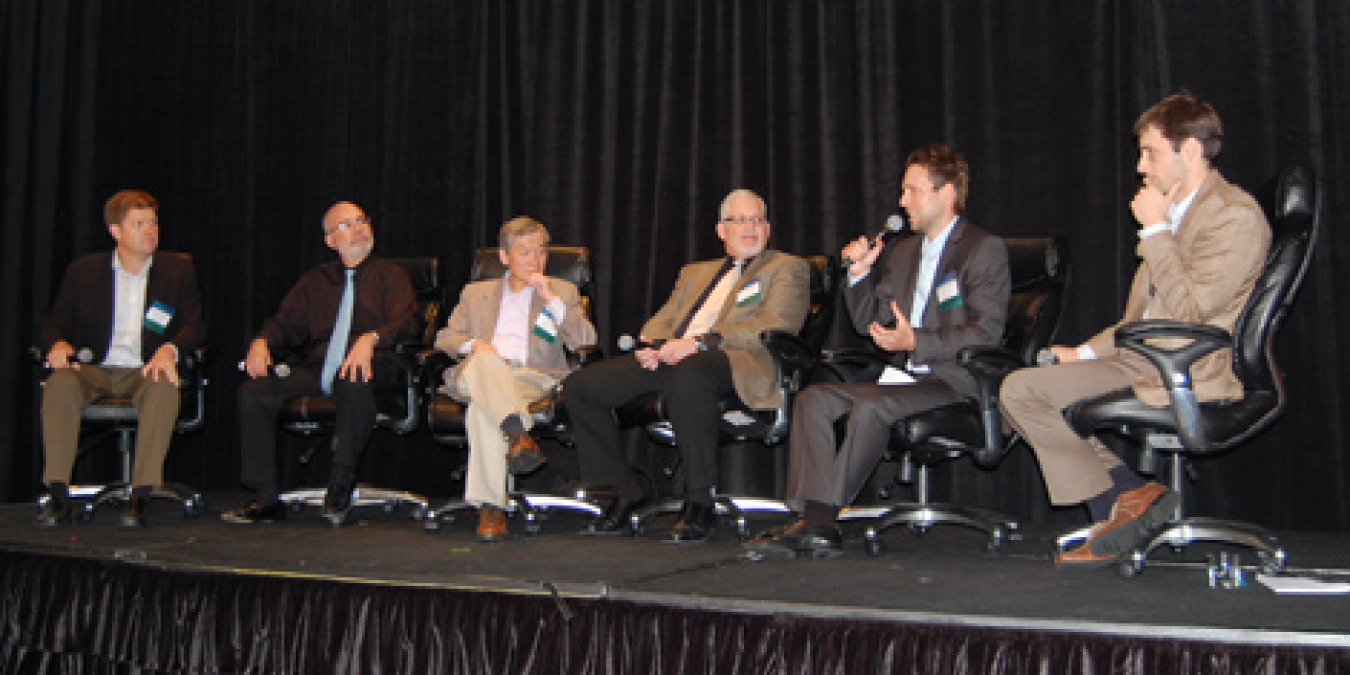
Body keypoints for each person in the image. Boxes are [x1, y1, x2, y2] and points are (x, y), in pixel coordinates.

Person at [999, 93, 1272, 568]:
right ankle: (1125, 499)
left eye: (1151, 153)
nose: (1142, 167)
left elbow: (1190, 312)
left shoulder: (1234, 214)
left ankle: (1121, 512)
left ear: (1189, 151)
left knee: (1028, 394)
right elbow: (1136, 321)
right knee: (1021, 390)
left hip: (1185, 366)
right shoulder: (1171, 215)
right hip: (1142, 356)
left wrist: (1156, 232)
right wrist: (1083, 353)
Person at [748, 144, 1010, 557]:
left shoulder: (981, 249)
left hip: (956, 381)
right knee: (813, 399)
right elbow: (870, 321)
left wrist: (917, 342)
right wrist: (860, 276)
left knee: (873, 407)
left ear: (945, 194)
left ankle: (819, 522)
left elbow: (986, 332)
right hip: (906, 378)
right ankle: (811, 516)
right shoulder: (903, 253)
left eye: (912, 191)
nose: (902, 202)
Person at [563, 189, 811, 544]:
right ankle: (624, 488)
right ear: (720, 230)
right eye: (739, 220)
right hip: (679, 357)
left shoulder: (786, 267)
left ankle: (700, 500)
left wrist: (699, 343)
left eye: (757, 219)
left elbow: (776, 323)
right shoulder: (695, 272)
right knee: (582, 387)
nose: (750, 227)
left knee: (690, 373)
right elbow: (661, 320)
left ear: (768, 228)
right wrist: (655, 346)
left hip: (739, 361)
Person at [223, 201, 416, 526]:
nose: (358, 229)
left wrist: (370, 339)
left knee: (353, 376)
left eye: (361, 220)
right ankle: (266, 496)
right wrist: (261, 342)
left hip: (372, 366)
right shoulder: (316, 281)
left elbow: (407, 323)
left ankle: (340, 481)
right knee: (253, 392)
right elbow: (284, 323)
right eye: (346, 225)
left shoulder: (391, 275)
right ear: (330, 240)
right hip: (319, 367)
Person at [37, 189, 208, 529]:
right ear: (116, 231)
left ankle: (141, 493)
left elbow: (195, 326)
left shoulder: (177, 270)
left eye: (153, 223)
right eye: (139, 223)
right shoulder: (84, 272)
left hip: (145, 369)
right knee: (60, 384)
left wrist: (170, 349)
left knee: (162, 383)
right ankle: (57, 491)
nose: (150, 231)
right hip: (95, 369)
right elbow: (55, 322)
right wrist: (56, 345)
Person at [435, 216, 597, 542]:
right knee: (485, 362)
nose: (535, 260)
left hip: (531, 377)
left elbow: (587, 340)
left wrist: (551, 300)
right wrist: (474, 346)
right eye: (524, 252)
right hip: (477, 371)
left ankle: (491, 505)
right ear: (504, 257)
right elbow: (444, 337)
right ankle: (516, 433)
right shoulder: (475, 292)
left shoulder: (562, 291)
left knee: (484, 408)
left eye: (540, 252)